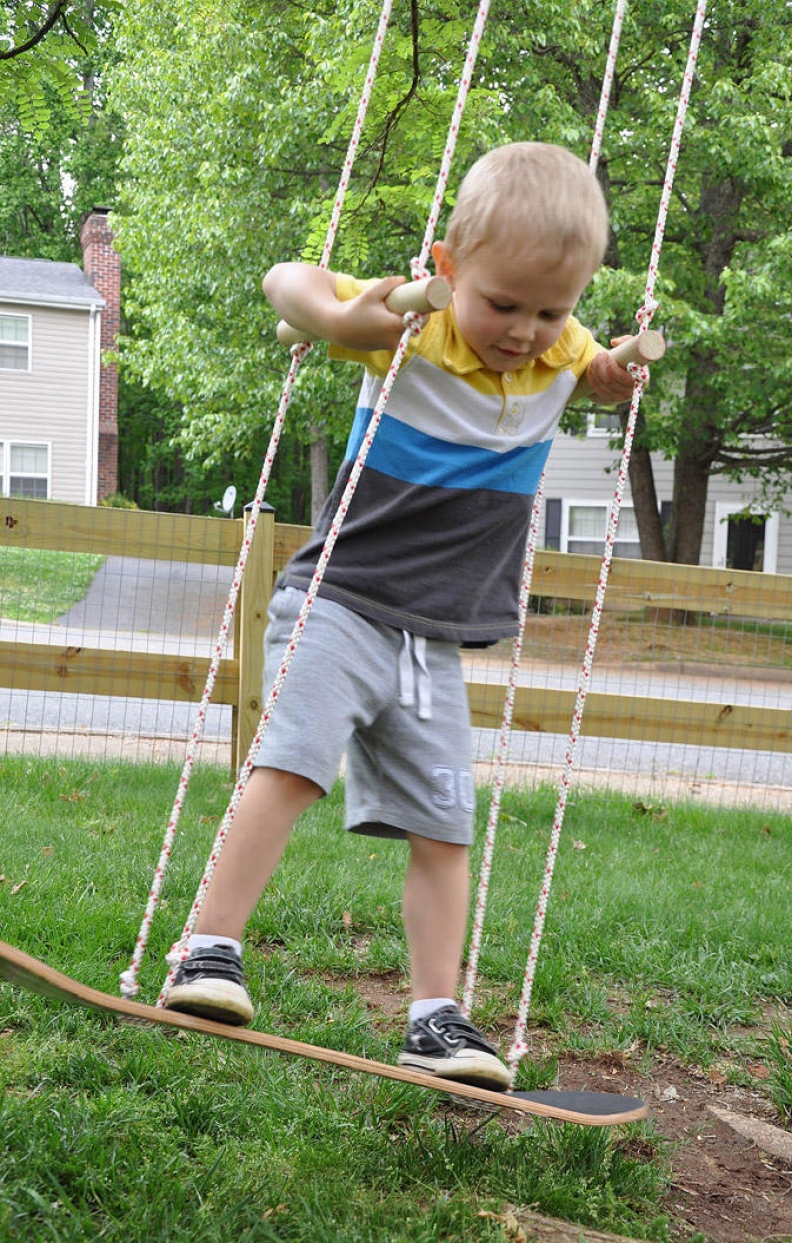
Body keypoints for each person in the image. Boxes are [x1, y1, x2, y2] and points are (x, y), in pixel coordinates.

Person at [166, 142, 638, 1090]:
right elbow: (284, 281)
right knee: (291, 765)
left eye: (550, 311)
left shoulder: (559, 345)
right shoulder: (405, 329)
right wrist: (345, 315)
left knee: (444, 825)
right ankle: (208, 947)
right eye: (502, 304)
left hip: (435, 637)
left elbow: (584, 363)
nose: (524, 331)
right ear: (447, 268)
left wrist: (606, 374)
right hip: (340, 600)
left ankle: (434, 1017)